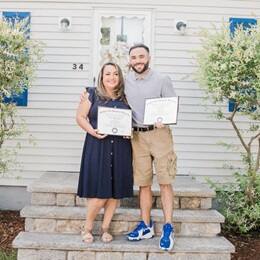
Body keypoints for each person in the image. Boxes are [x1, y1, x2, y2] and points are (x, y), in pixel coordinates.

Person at [125, 44, 177, 251]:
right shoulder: (125, 80)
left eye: (141, 56)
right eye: (134, 57)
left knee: (165, 181)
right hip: (137, 136)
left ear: (148, 58)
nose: (138, 60)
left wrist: (166, 120)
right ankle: (146, 225)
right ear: (130, 60)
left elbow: (171, 107)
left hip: (160, 135)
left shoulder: (162, 79)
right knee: (143, 183)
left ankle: (168, 226)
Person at [76, 62, 133, 244]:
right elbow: (80, 117)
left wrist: (129, 131)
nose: (112, 77)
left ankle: (106, 228)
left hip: (120, 148)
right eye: (108, 73)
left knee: (114, 194)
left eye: (115, 74)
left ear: (120, 77)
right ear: (101, 76)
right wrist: (93, 131)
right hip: (97, 145)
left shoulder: (125, 97)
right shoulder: (91, 93)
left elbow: (133, 121)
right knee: (99, 195)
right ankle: (87, 228)